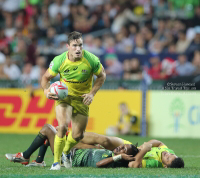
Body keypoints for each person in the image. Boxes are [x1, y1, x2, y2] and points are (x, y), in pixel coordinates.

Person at [40, 31, 106, 170]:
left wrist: (92, 93)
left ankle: (66, 152)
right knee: (62, 126)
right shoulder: (59, 60)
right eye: (75, 46)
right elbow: (46, 78)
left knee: (78, 135)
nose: (78, 49)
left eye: (80, 45)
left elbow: (102, 76)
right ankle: (56, 162)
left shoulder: (91, 59)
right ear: (68, 46)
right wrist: (46, 91)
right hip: (65, 98)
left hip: (82, 99)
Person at [5, 125, 184, 168]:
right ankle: (38, 161)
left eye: (168, 158)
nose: (167, 154)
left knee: (49, 129)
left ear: (166, 165)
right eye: (169, 154)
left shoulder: (153, 163)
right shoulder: (168, 151)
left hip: (70, 157)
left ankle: (27, 156)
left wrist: (143, 149)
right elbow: (158, 143)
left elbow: (134, 164)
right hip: (76, 152)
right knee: (61, 131)